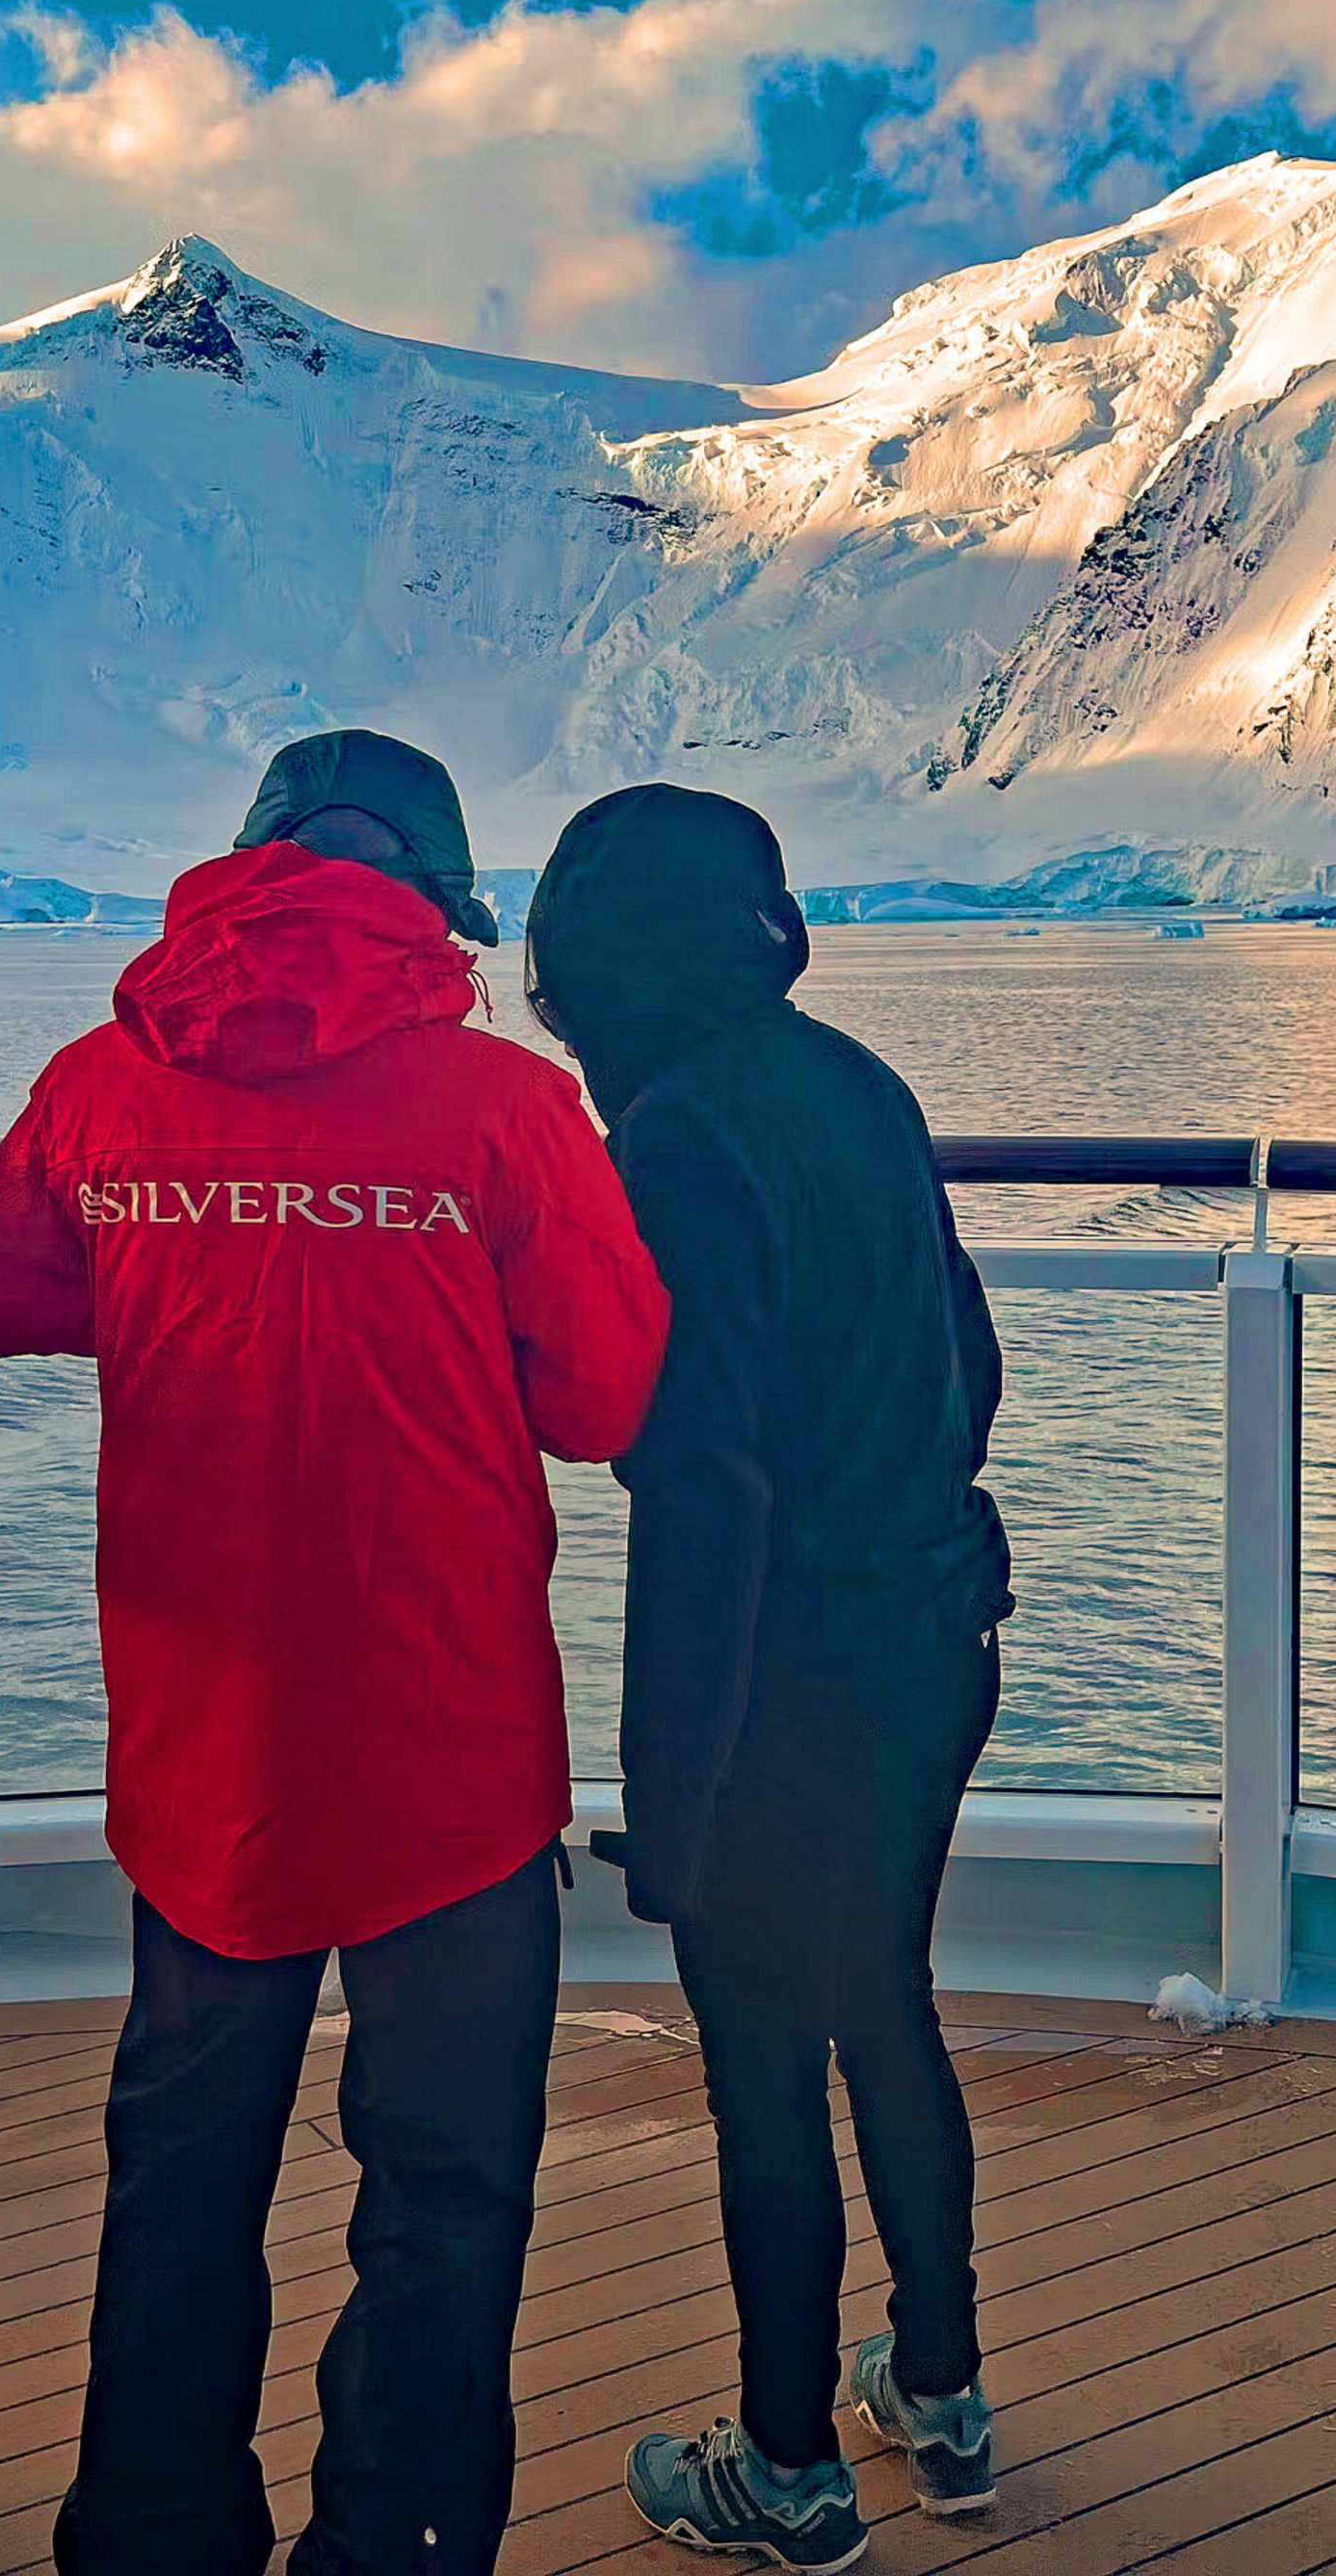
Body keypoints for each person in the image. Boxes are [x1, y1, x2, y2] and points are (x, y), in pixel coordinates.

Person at [0, 729, 668, 2576]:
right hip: (449, 1737)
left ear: (248, 865)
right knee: (442, 2193)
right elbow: (602, 1393)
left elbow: (9, 1288)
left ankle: (150, 2536)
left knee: (182, 2177)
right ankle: (400, 2546)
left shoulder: (105, 1083)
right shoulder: (503, 1111)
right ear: (438, 899)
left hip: (204, 1749)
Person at [523, 787, 1011, 2568]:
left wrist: (674, 1788)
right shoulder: (860, 1085)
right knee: (885, 1993)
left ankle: (788, 2463)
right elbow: (975, 1362)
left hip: (783, 1672)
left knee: (759, 2060)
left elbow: (701, 1488)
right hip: (936, 1626)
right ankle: (941, 2392)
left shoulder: (672, 1139)